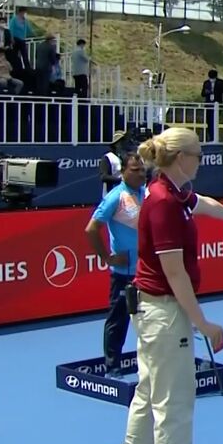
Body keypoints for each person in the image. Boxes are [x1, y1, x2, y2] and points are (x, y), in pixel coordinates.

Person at [122, 127, 223, 444]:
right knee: (172, 402)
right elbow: (174, 273)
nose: (201, 162)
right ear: (181, 158)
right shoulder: (164, 203)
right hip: (164, 312)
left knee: (149, 395)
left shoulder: (173, 192)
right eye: (198, 156)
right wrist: (203, 323)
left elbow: (199, 202)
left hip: (154, 311)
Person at [85, 153, 147, 377]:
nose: (140, 174)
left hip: (147, 272)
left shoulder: (147, 193)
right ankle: (112, 367)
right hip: (124, 274)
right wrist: (108, 258)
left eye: (142, 170)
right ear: (123, 172)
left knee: (151, 320)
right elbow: (91, 229)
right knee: (118, 321)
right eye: (135, 170)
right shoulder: (115, 197)